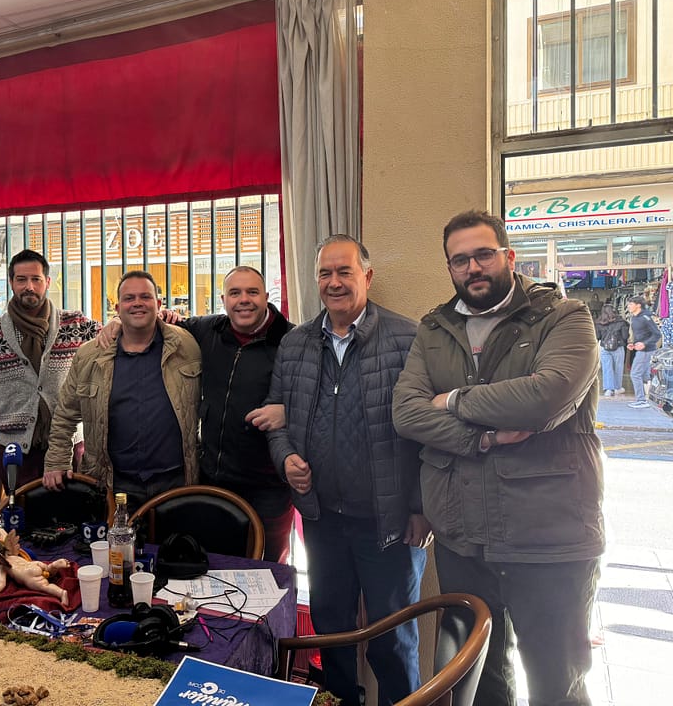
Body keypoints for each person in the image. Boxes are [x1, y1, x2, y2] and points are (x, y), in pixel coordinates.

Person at [393, 209, 604, 706]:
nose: (473, 268)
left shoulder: (565, 317)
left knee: (557, 684)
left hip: (548, 538)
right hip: (462, 540)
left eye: (484, 254)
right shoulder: (435, 328)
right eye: (460, 260)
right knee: (478, 684)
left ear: (508, 256)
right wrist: (483, 439)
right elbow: (406, 412)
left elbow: (545, 398)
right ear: (449, 267)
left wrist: (451, 400)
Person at [266, 235, 430, 706]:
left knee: (392, 639)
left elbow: (427, 435)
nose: (334, 282)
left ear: (367, 277)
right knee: (331, 630)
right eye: (325, 273)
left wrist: (421, 508)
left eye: (345, 272)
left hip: (389, 523)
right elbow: (277, 418)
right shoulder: (295, 342)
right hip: (322, 521)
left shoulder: (407, 338)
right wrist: (285, 458)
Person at [96, 266, 294, 562]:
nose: (244, 300)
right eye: (235, 293)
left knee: (268, 569)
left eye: (252, 292)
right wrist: (116, 324)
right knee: (212, 565)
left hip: (268, 487)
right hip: (213, 480)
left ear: (266, 297)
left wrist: (290, 411)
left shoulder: (293, 341)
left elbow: (325, 398)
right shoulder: (207, 330)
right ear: (223, 299)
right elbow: (152, 321)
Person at [44, 270, 201, 511]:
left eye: (145, 297)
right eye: (129, 298)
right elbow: (66, 414)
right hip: (113, 485)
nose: (137, 303)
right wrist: (56, 461)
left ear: (158, 304)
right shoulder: (89, 356)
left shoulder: (188, 345)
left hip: (177, 483)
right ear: (117, 308)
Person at [0, 249, 101, 487]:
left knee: (75, 510)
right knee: (19, 510)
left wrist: (162, 316)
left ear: (47, 282)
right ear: (11, 282)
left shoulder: (75, 324)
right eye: (21, 279)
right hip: (15, 452)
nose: (29, 286)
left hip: (69, 447)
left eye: (36, 279)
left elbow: (118, 335)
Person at [626, 294, 662, 408]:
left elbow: (657, 334)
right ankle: (650, 398)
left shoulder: (646, 318)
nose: (628, 306)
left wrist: (644, 344)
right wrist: (633, 344)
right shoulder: (634, 318)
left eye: (631, 304)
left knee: (635, 374)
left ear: (638, 305)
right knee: (645, 375)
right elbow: (641, 334)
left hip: (646, 351)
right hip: (640, 350)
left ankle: (641, 400)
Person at [595, 303, 628, 397]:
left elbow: (598, 336)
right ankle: (617, 388)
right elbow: (625, 336)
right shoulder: (622, 322)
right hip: (618, 347)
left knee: (606, 368)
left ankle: (608, 390)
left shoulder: (599, 323)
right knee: (618, 368)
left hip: (605, 347)